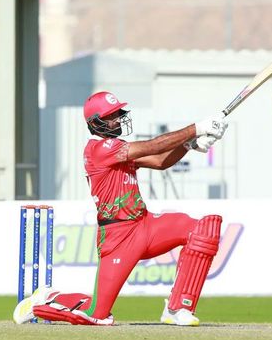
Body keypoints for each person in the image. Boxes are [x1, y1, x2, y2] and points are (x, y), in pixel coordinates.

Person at [13, 91, 228, 326]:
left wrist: (189, 145)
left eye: (117, 114)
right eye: (111, 116)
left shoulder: (118, 148)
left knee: (202, 229)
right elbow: (153, 146)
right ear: (95, 122)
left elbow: (160, 162)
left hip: (145, 225)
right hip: (118, 237)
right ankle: (47, 299)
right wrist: (196, 129)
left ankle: (178, 308)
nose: (117, 119)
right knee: (98, 315)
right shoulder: (99, 149)